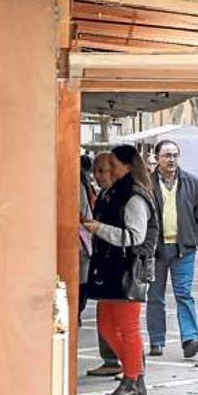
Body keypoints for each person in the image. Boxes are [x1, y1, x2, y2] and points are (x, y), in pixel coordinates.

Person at [83, 145, 159, 395]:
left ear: (126, 166)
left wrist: (99, 229)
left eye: (113, 165)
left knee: (127, 328)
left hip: (129, 270)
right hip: (113, 270)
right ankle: (134, 374)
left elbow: (134, 237)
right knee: (107, 325)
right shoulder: (115, 192)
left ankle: (131, 379)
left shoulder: (134, 196)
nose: (109, 171)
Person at [146, 140, 198, 358]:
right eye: (167, 155)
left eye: (175, 155)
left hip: (185, 248)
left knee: (184, 294)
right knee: (155, 296)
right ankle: (156, 340)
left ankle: (190, 338)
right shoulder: (147, 183)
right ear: (157, 157)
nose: (171, 159)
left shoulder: (191, 182)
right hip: (156, 249)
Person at [84, 152, 123, 377]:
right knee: (105, 315)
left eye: (102, 171)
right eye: (95, 171)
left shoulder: (124, 196)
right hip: (104, 263)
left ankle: (132, 367)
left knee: (123, 321)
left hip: (120, 265)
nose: (97, 176)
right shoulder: (104, 195)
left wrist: (97, 228)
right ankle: (111, 359)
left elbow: (132, 234)